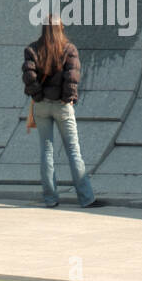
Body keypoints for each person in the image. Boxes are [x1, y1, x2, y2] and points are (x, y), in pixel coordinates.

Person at [22, 14, 100, 208]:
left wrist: (38, 96)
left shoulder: (32, 49)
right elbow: (72, 77)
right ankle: (86, 198)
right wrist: (67, 98)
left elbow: (29, 75)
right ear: (60, 28)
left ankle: (50, 199)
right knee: (73, 151)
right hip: (62, 106)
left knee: (46, 152)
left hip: (41, 106)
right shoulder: (68, 49)